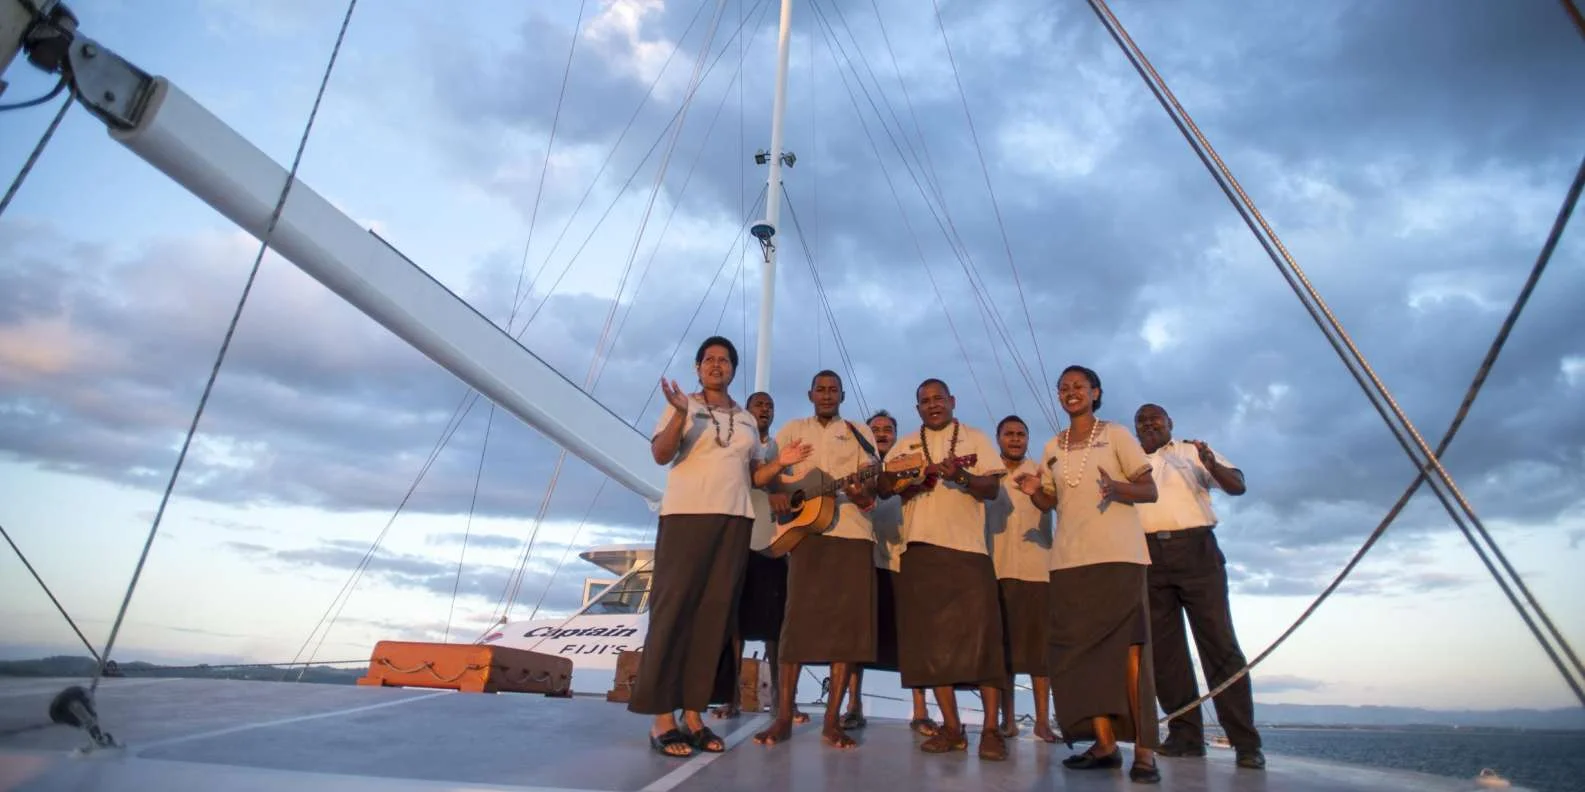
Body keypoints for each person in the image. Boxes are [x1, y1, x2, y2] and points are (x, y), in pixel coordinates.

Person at [629, 336, 810, 758]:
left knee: (715, 617)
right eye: (708, 359)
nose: (716, 365)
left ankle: (694, 716)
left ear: (733, 369)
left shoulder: (746, 419)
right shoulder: (683, 406)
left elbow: (754, 477)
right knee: (674, 611)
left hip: (735, 521)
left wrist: (781, 463)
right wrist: (679, 414)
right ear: (698, 368)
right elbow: (660, 455)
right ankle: (662, 720)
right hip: (686, 517)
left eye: (724, 360)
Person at [1014, 365, 1161, 783]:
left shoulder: (1116, 434)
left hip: (1118, 557)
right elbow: (1051, 502)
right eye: (1064, 388)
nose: (1070, 392)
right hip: (1068, 562)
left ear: (1095, 392)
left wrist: (1118, 488)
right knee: (1081, 657)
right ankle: (1104, 745)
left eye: (1078, 386)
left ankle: (1145, 752)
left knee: (1130, 653)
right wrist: (1034, 492)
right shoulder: (1052, 446)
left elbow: (1149, 490)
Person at [880, 378, 1009, 761]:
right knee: (930, 645)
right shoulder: (906, 444)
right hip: (920, 550)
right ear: (917, 408)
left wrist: (961, 477)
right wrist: (907, 478)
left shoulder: (975, 438)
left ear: (952, 401)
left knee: (983, 641)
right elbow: (884, 486)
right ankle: (952, 728)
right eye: (925, 401)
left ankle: (991, 730)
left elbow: (992, 489)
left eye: (939, 398)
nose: (933, 404)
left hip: (969, 551)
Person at [1133, 403, 1265, 770]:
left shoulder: (1192, 451)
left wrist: (1212, 464)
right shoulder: (1129, 460)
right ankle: (1185, 737)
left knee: (1219, 643)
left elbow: (1237, 486)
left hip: (1197, 551)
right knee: (1165, 653)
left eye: (1155, 418)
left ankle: (1245, 742)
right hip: (1148, 556)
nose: (1148, 423)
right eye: (1141, 420)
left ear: (1170, 423)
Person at [753, 371, 881, 749]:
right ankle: (783, 718)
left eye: (833, 390)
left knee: (846, 630)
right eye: (820, 390)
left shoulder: (859, 432)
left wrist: (861, 489)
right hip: (805, 536)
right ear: (810, 394)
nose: (826, 395)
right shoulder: (793, 429)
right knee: (795, 625)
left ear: (842, 395)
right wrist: (777, 493)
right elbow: (766, 473)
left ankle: (832, 722)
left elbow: (873, 481)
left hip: (852, 534)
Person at [839, 410, 939, 736]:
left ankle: (920, 710)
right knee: (857, 635)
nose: (881, 434)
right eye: (876, 429)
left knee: (912, 634)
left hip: (901, 557)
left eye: (887, 429)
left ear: (896, 435)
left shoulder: (910, 463)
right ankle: (853, 705)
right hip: (864, 558)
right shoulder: (857, 466)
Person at [709, 391, 807, 726]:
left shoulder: (781, 449)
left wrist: (782, 493)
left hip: (773, 543)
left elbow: (791, 491)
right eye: (758, 404)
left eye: (770, 405)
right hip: (739, 540)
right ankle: (732, 698)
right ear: (747, 410)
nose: (765, 409)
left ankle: (784, 702)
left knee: (777, 629)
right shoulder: (738, 442)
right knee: (734, 625)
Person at [984, 415, 1057, 742]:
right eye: (1009, 434)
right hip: (996, 569)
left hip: (1037, 570)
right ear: (998, 438)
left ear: (1027, 439)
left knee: (1040, 651)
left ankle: (1042, 721)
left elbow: (1055, 505)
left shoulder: (1042, 473)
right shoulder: (988, 475)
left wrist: (1037, 490)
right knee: (1003, 651)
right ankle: (1008, 720)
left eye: (1021, 434)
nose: (1015, 439)